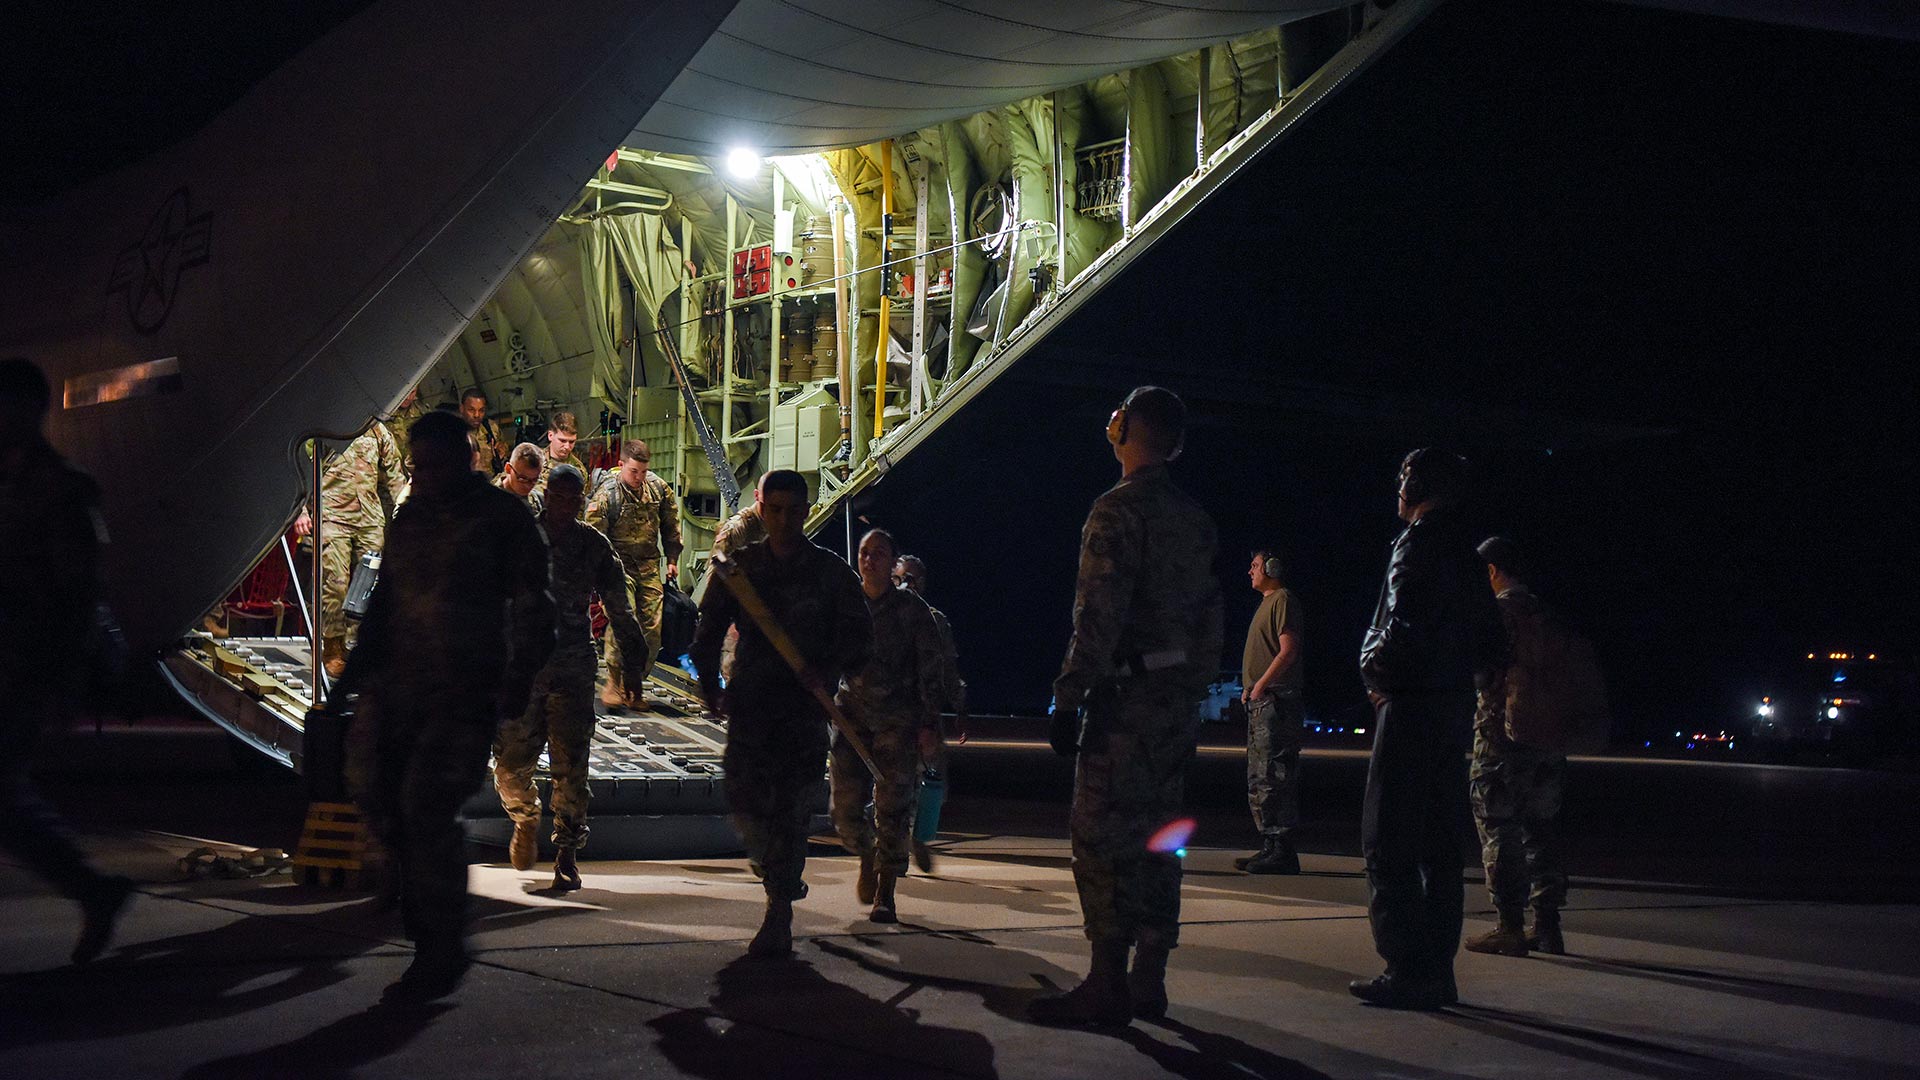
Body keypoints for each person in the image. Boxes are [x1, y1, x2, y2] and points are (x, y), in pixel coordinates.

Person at [338, 409, 554, 1002]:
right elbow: (385, 601)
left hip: (463, 691)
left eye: (436, 463)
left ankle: (440, 949)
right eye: (419, 465)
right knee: (379, 798)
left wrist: (517, 681)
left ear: (465, 459)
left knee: (427, 807)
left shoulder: (502, 520)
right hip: (398, 687)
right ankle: (421, 916)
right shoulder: (409, 519)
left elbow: (538, 607)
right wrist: (354, 675)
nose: (426, 475)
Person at [1030, 386, 1223, 1028]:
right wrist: (1191, 688)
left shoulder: (1116, 512)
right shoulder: (1195, 520)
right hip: (1174, 706)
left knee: (1101, 839)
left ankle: (1106, 983)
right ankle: (1150, 978)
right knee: (1161, 839)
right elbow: (1209, 620)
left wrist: (1068, 694)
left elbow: (1099, 616)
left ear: (1127, 429)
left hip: (1124, 704)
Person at [689, 470, 870, 958]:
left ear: (806, 512)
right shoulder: (741, 569)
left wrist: (827, 667)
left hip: (801, 715)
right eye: (776, 510)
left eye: (794, 510)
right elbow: (706, 634)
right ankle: (775, 871)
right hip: (751, 708)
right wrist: (712, 689)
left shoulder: (831, 573)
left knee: (791, 812)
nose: (785, 520)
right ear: (761, 510)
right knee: (746, 805)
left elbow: (860, 639)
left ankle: (779, 911)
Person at [1351, 449, 1502, 1010]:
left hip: (1411, 707)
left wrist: (1373, 669)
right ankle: (1438, 970)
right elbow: (1491, 642)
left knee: (1386, 840)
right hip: (1452, 709)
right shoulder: (1466, 552)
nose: (1397, 485)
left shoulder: (1416, 544)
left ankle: (1405, 969)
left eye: (1402, 476)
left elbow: (1401, 627)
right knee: (1440, 845)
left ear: (1416, 483)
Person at [0, 357, 136, 966]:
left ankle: (93, 889)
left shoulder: (62, 489)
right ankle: (94, 890)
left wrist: (63, 677)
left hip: (24, 665)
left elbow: (79, 593)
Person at [492, 465, 645, 892]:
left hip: (573, 666)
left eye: (571, 499)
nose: (562, 506)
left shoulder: (593, 546)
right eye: (556, 497)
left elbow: (620, 607)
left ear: (580, 502)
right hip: (522, 667)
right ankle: (524, 817)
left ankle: (566, 852)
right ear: (546, 495)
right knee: (508, 767)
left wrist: (631, 662)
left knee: (571, 767)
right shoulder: (519, 539)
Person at [832, 529, 947, 923]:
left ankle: (886, 892)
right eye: (864, 552)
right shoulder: (847, 605)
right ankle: (866, 854)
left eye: (879, 553)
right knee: (845, 809)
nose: (869, 559)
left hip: (897, 722)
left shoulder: (912, 611)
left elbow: (931, 669)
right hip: (850, 718)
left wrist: (930, 723)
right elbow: (826, 652)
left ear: (891, 561)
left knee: (893, 811)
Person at [1464, 536, 1569, 957]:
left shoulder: (1497, 613)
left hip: (1501, 740)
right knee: (1543, 832)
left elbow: (1480, 674)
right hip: (1548, 741)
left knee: (1499, 828)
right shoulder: (1548, 614)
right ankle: (1547, 925)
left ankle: (1509, 924)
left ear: (1492, 571)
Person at [295, 419, 406, 679]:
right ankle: (332, 646)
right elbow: (298, 469)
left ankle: (358, 647)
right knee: (335, 584)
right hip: (332, 516)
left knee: (369, 586)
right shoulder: (325, 428)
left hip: (369, 519)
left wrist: (409, 512)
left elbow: (395, 477)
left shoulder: (379, 432)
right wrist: (299, 511)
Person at [586, 439, 682, 709]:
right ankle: (614, 682)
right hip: (618, 567)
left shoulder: (658, 489)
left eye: (643, 471)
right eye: (633, 472)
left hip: (649, 565)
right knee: (623, 623)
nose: (639, 478)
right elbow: (594, 538)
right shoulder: (608, 494)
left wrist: (673, 558)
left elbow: (671, 524)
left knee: (652, 629)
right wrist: (599, 583)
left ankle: (635, 683)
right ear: (621, 465)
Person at [893, 553, 966, 873]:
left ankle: (918, 838)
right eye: (901, 577)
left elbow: (948, 668)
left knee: (931, 781)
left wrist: (961, 706)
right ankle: (891, 843)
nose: (908, 584)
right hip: (888, 711)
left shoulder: (935, 620)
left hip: (924, 713)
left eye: (915, 579)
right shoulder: (879, 612)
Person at [1236, 548, 1304, 875]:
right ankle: (1270, 845)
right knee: (1260, 776)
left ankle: (1282, 849)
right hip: (1262, 702)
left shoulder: (1282, 600)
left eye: (1255, 565)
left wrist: (1261, 685)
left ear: (1272, 567)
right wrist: (1251, 689)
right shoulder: (1267, 603)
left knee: (1274, 775)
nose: (1250, 571)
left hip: (1276, 702)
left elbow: (1288, 651)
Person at [531, 411, 587, 504]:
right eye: (562, 441)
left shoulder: (579, 470)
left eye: (571, 442)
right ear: (550, 435)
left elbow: (580, 506)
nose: (567, 446)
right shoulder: (533, 461)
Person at [460, 386, 503, 478]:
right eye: (471, 410)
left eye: (481, 410)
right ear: (462, 409)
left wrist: (501, 452)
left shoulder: (491, 429)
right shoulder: (452, 434)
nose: (477, 415)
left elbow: (503, 453)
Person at [496, 442, 545, 512]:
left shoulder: (539, 501)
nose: (528, 486)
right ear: (508, 469)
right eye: (523, 478)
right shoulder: (490, 500)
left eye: (535, 479)